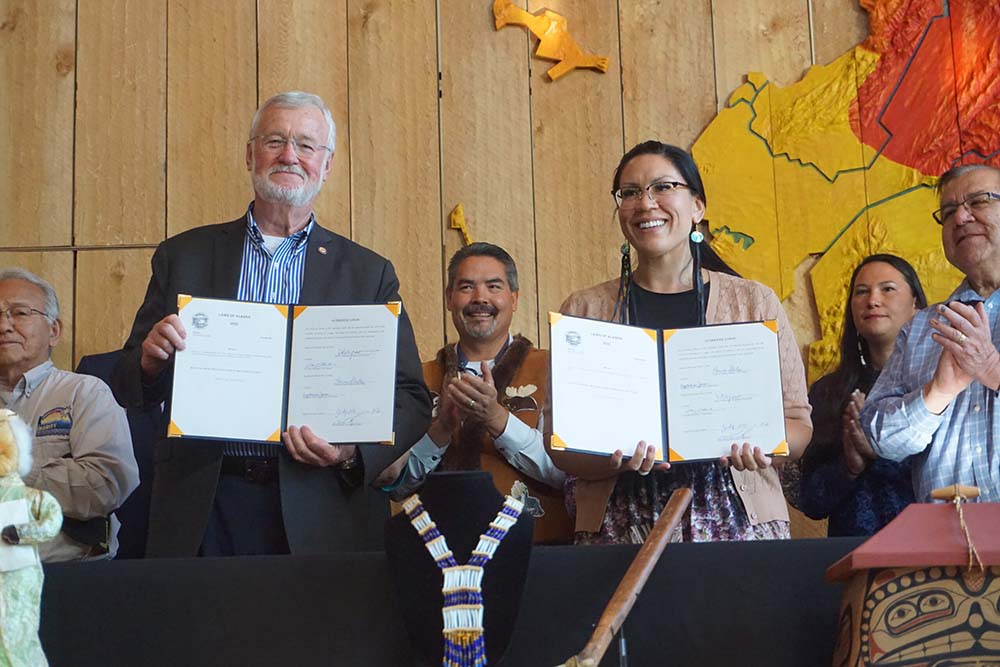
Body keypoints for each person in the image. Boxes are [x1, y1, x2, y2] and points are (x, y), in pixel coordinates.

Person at [111, 91, 431, 557]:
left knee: (311, 634)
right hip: (204, 504)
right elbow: (126, 383)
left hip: (320, 507)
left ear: (326, 165)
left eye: (306, 145)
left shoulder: (368, 273)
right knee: (205, 633)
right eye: (275, 141)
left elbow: (410, 398)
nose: (289, 156)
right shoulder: (184, 257)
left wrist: (349, 452)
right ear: (250, 154)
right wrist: (148, 360)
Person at [547, 141, 812, 544]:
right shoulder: (584, 310)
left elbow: (798, 425)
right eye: (630, 192)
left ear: (698, 207)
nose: (646, 203)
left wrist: (762, 445)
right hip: (620, 528)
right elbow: (561, 444)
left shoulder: (754, 302)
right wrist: (611, 460)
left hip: (738, 524)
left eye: (663, 187)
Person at [378, 243, 572, 543]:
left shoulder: (552, 368)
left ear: (515, 298)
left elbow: (568, 473)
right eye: (466, 287)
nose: (480, 298)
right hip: (436, 555)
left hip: (538, 550)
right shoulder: (417, 378)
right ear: (449, 299)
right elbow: (396, 484)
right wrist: (441, 430)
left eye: (493, 286)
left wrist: (497, 419)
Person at [862, 164, 1000, 502]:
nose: (961, 218)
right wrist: (937, 393)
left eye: (979, 201)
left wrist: (993, 370)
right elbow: (881, 438)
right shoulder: (923, 327)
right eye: (949, 211)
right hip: (944, 542)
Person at [0, 268, 138, 560]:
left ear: (54, 331)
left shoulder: (84, 393)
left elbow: (109, 484)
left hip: (67, 578)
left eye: (20, 313)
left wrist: (18, 467)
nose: (4, 325)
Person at [798, 255, 925, 536]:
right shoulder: (828, 391)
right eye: (862, 292)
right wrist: (850, 466)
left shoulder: (935, 386)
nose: (873, 300)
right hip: (850, 560)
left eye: (887, 289)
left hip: (926, 556)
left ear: (916, 304)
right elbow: (810, 501)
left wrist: (878, 452)